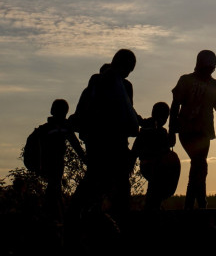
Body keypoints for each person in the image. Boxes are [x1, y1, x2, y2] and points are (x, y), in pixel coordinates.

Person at [71, 49, 140, 222]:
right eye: (129, 68)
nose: (128, 73)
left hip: (105, 141)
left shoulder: (120, 85)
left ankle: (87, 217)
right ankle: (79, 217)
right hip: (104, 141)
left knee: (109, 182)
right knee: (100, 181)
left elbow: (129, 111)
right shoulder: (103, 81)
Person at [169, 50, 216, 209]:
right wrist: (171, 131)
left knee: (199, 166)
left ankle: (196, 204)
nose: (209, 71)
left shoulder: (214, 85)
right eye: (207, 68)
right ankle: (197, 204)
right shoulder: (186, 80)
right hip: (187, 131)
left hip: (204, 133)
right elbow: (175, 106)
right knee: (199, 164)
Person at [37, 99, 86, 219]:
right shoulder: (58, 128)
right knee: (54, 188)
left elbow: (75, 145)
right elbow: (76, 145)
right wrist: (85, 159)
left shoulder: (46, 129)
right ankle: (55, 215)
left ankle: (53, 214)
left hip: (51, 163)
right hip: (53, 162)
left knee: (54, 187)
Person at [132, 102, 180, 211]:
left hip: (155, 167)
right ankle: (152, 207)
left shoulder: (149, 128)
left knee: (154, 190)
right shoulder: (150, 129)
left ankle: (153, 206)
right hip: (154, 167)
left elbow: (136, 149)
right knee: (155, 189)